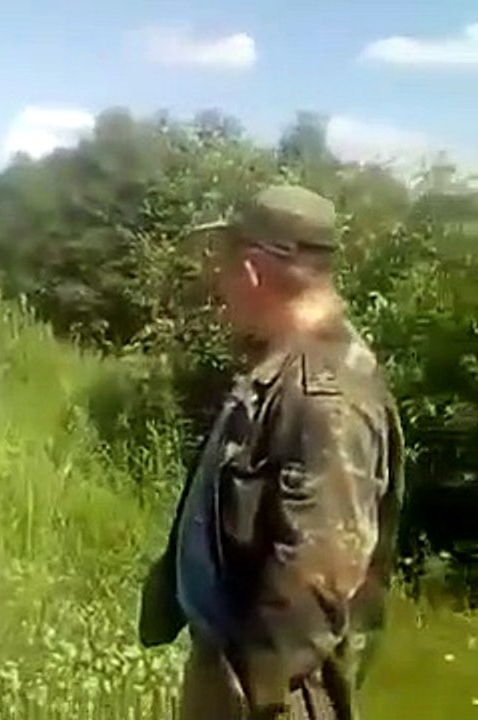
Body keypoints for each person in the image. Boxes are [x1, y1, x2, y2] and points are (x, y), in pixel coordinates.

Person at [137, 185, 406, 720]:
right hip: (243, 676)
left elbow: (321, 570)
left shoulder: (325, 394)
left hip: (273, 698)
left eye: (227, 267)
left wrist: (252, 688)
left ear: (255, 271)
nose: (222, 284)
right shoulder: (284, 372)